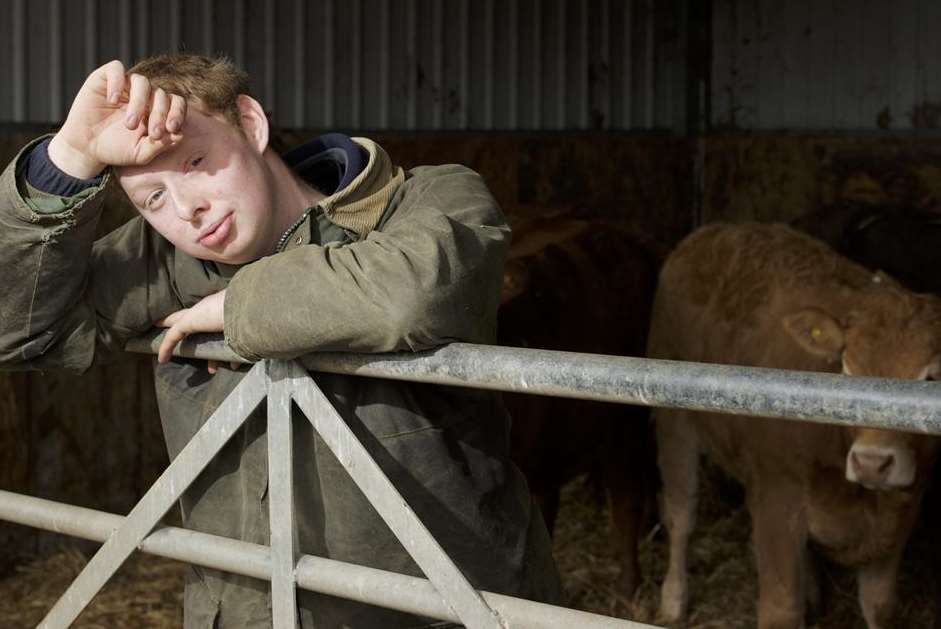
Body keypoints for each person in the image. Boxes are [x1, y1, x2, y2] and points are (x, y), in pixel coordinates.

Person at [0, 54, 560, 628]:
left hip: (442, 609)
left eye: (196, 161)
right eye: (154, 199)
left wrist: (240, 308)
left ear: (250, 122)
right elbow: (17, 333)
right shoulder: (163, 261)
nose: (187, 209)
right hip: (247, 613)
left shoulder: (424, 200)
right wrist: (67, 161)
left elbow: (416, 291)